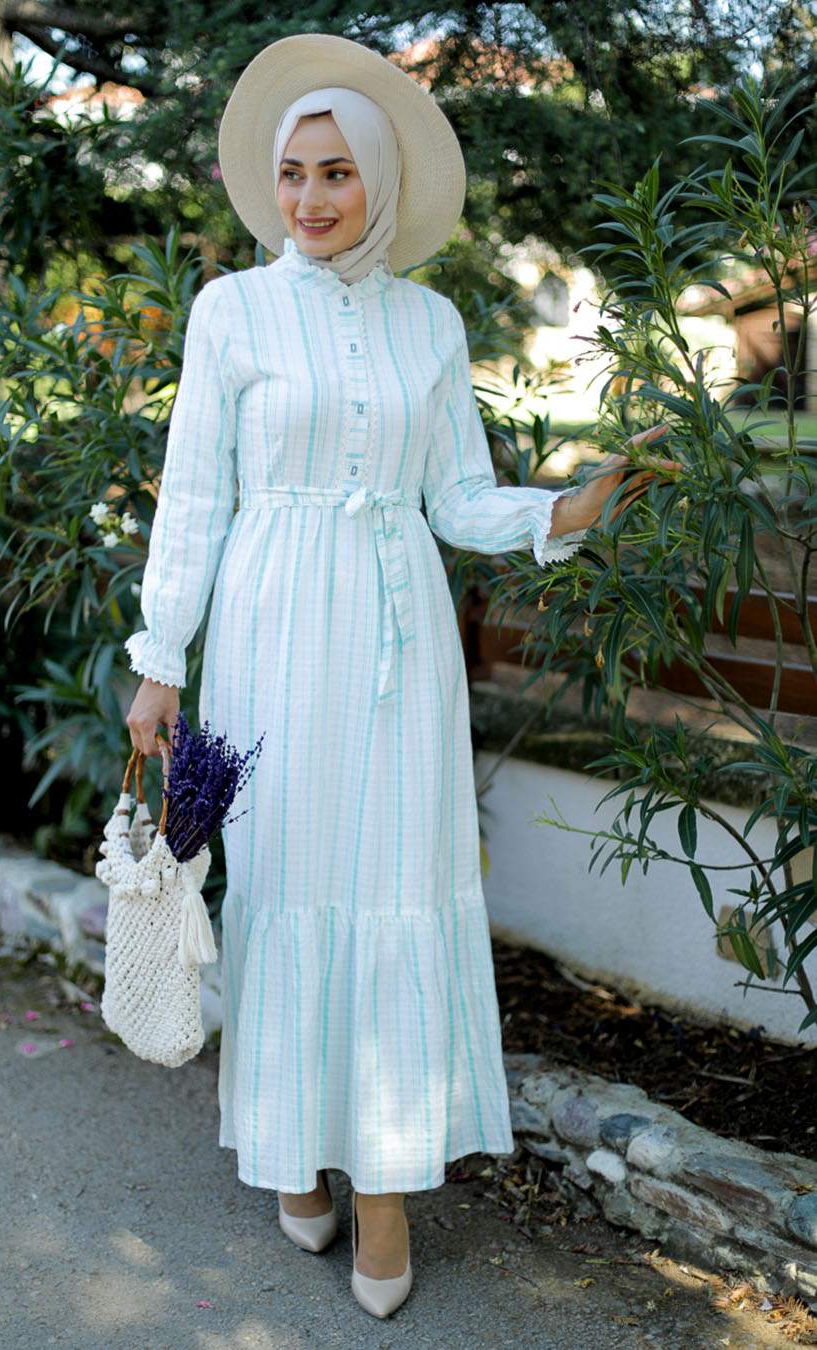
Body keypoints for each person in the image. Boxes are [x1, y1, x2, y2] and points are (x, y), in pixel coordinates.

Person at [124, 33, 670, 1319]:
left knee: (391, 888)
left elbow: (457, 497)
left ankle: (381, 1191)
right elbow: (196, 496)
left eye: (336, 174)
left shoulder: (432, 321)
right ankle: (292, 1147)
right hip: (269, 632)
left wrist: (566, 512)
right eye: (291, 173)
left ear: (379, 181)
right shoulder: (232, 311)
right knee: (288, 881)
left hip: (394, 643)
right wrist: (159, 662)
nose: (311, 198)